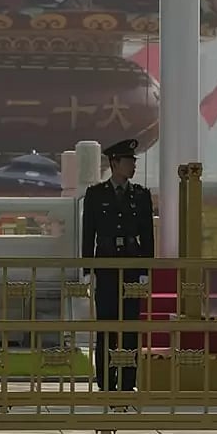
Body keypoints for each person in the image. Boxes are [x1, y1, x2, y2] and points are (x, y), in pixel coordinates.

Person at [81, 138, 154, 395]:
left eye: (133, 161)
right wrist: (88, 270)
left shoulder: (141, 195)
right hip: (107, 264)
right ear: (114, 163)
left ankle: (127, 380)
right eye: (128, 161)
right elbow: (88, 233)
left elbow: (147, 235)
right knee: (107, 326)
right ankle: (105, 380)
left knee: (130, 325)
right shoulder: (96, 195)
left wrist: (146, 270)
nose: (132, 166)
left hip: (132, 265)